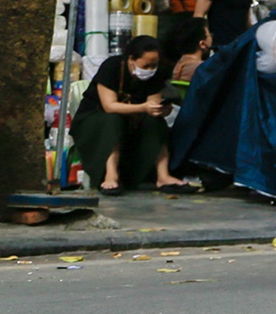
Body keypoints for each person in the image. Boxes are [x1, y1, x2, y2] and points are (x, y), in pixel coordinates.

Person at [70, 35, 199, 195]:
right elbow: (109, 106)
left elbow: (152, 103)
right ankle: (111, 174)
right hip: (95, 120)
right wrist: (144, 107)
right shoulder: (112, 66)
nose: (150, 69)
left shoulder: (155, 74)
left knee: (155, 122)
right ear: (131, 59)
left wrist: (160, 109)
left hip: (132, 120)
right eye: (146, 65)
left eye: (154, 65)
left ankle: (163, 176)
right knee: (113, 120)